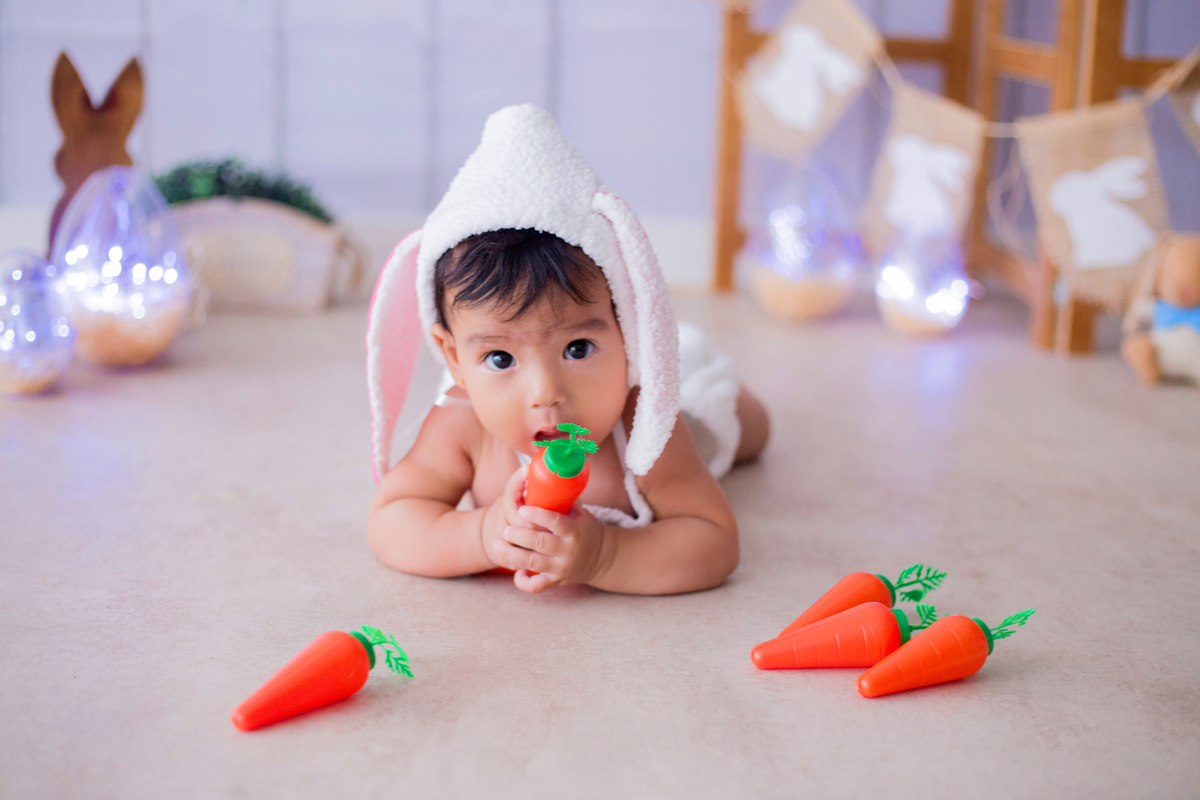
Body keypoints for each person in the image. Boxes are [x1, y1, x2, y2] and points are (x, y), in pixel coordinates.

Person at [366, 105, 768, 595]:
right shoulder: (461, 424)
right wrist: (481, 533)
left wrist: (606, 554)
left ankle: (723, 392)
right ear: (454, 359)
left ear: (628, 330)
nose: (545, 393)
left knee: (745, 427)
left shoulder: (641, 421)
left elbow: (714, 541)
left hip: (689, 409)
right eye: (500, 359)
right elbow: (392, 518)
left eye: (578, 348)